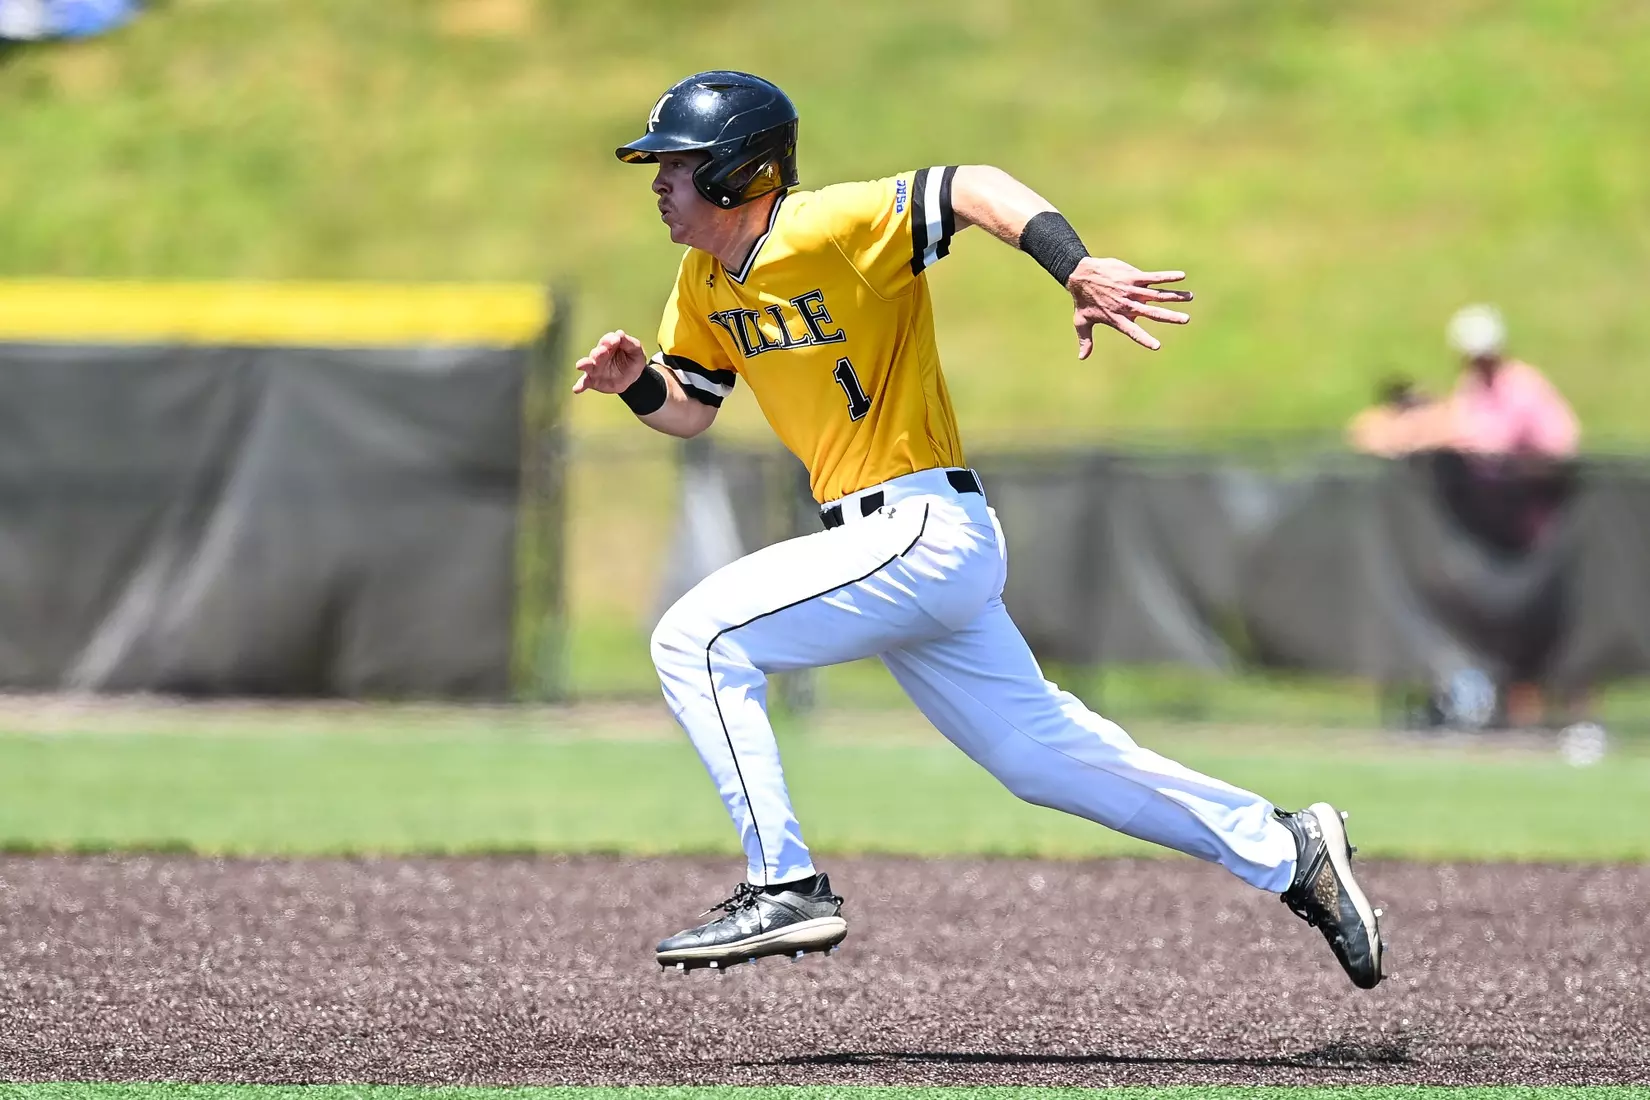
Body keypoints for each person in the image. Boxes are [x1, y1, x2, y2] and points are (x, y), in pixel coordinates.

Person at [574, 71, 1385, 989]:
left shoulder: (827, 226)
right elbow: (691, 407)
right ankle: (1287, 848)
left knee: (696, 638)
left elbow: (972, 186)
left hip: (917, 525)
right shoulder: (701, 279)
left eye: (677, 164)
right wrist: (637, 383)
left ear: (736, 168)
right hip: (895, 550)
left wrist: (1074, 265)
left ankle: (783, 884)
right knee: (1041, 758)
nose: (659, 182)